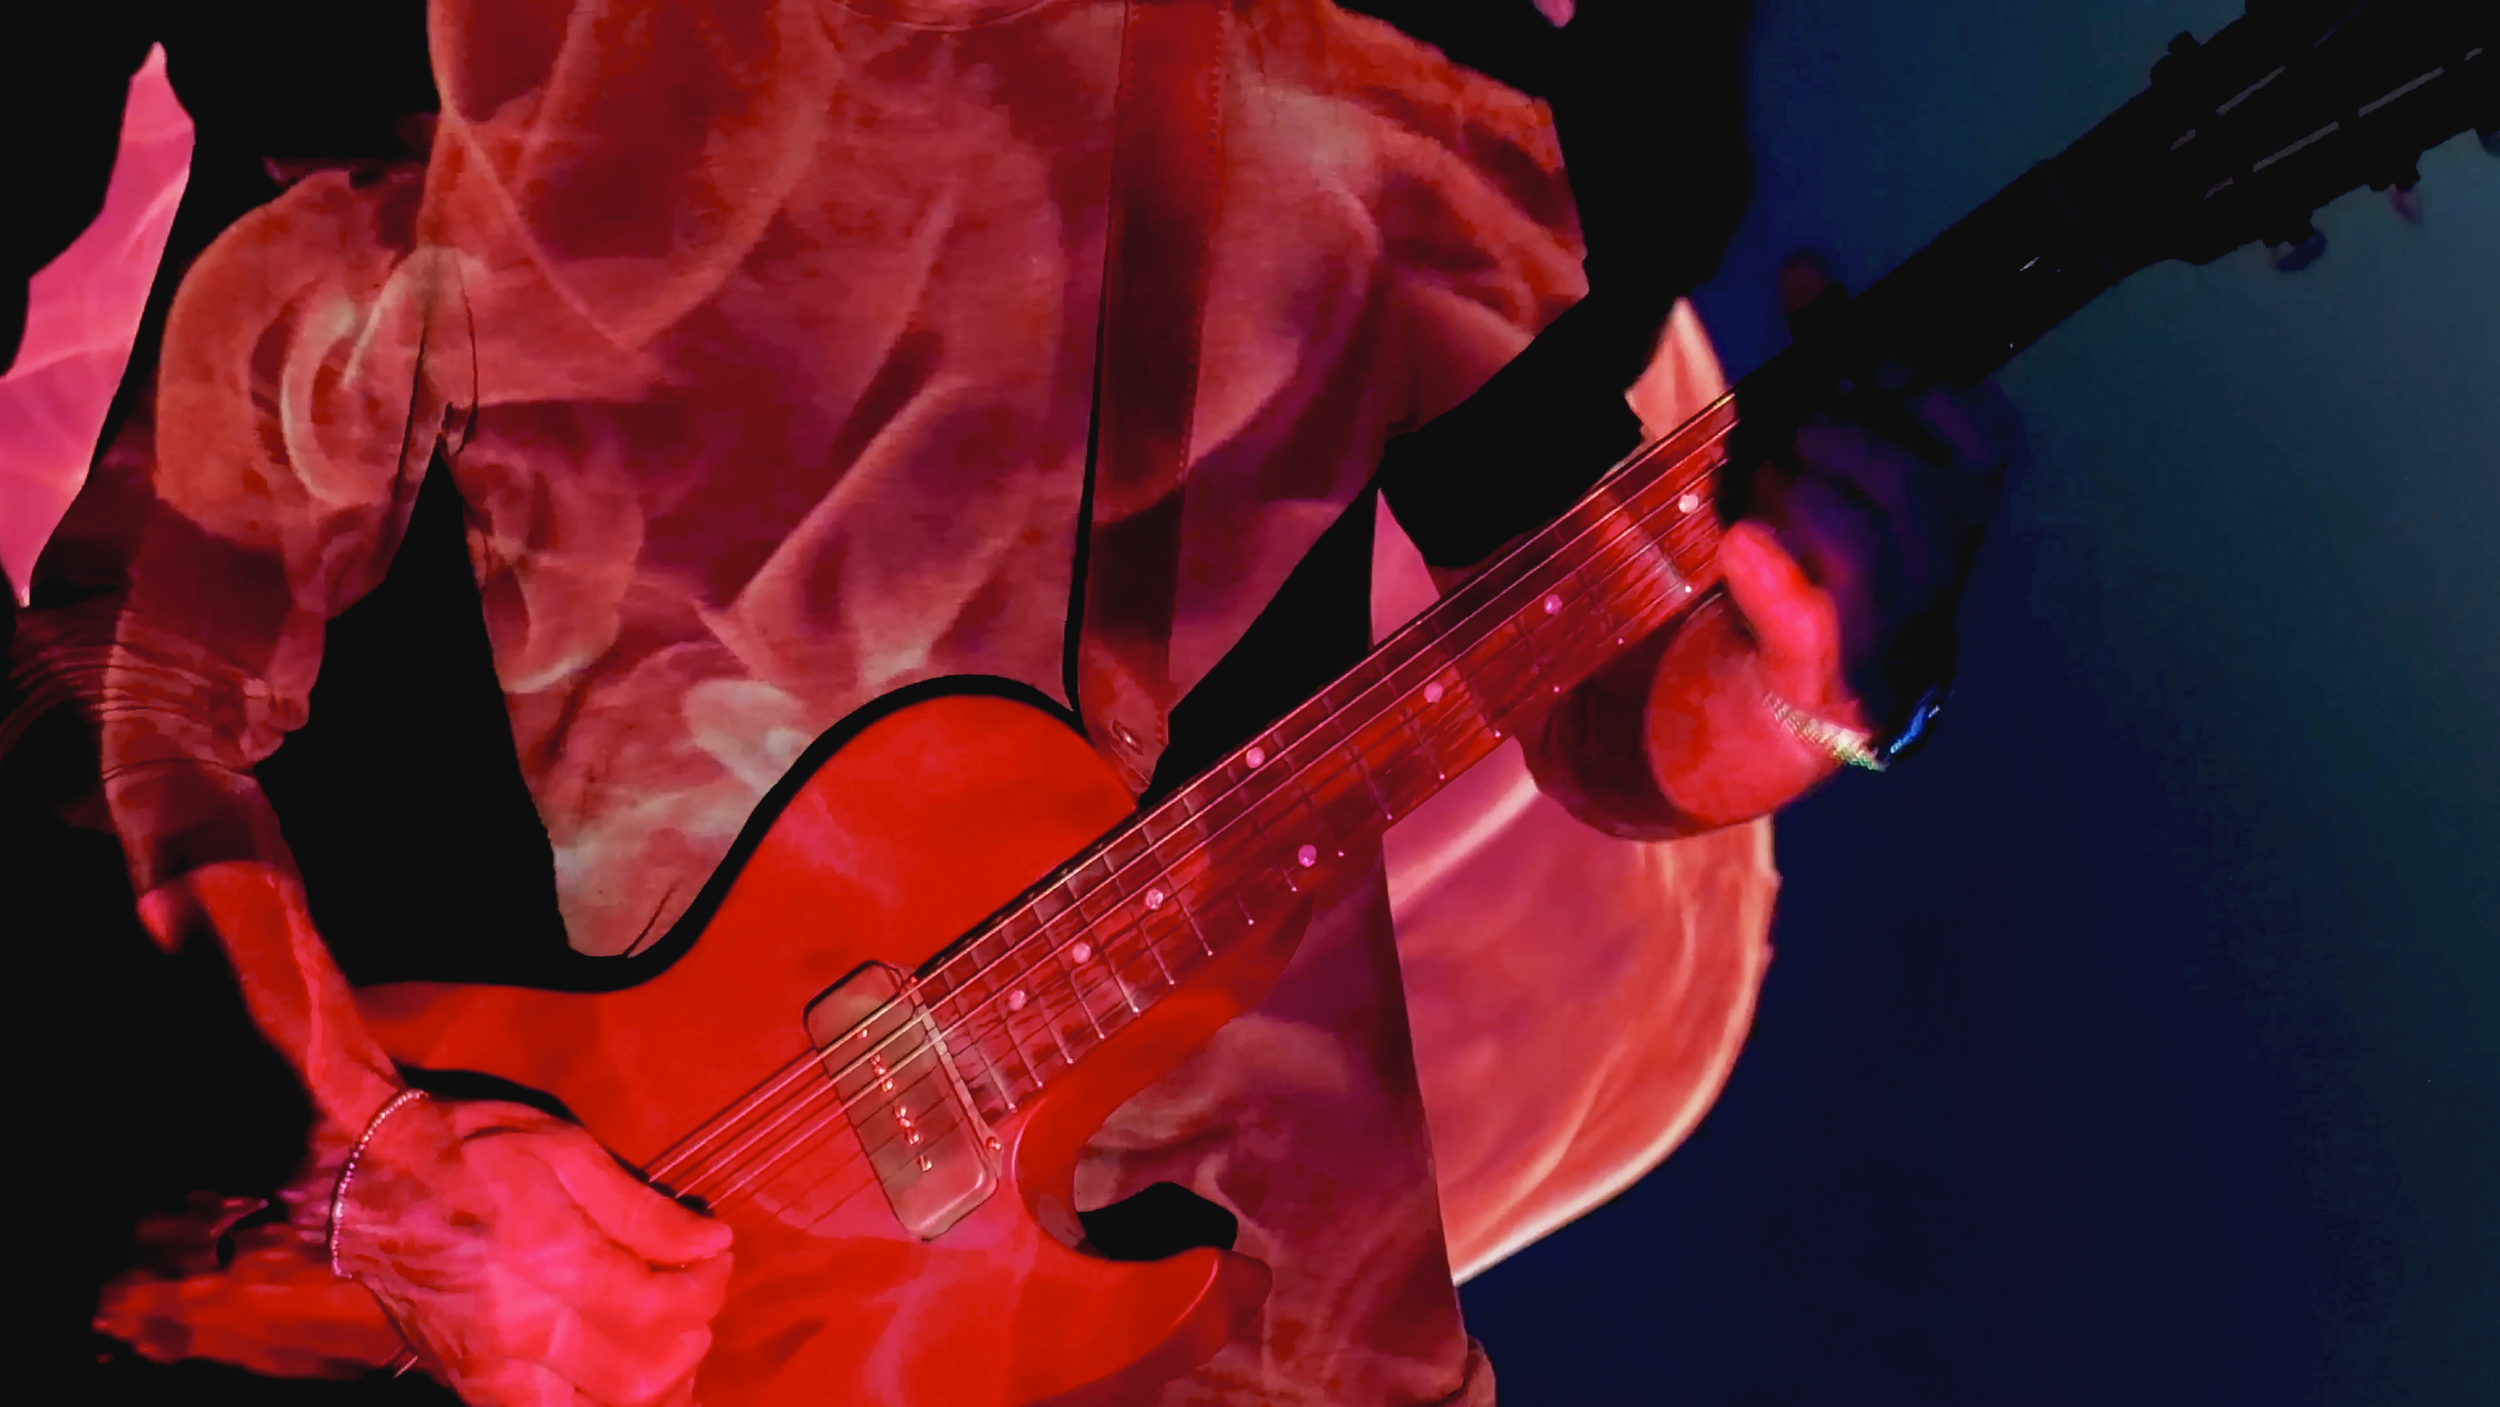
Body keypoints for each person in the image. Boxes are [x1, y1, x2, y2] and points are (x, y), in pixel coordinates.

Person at [6, 0, 2014, 1402]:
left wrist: (1812, 681)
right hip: (345, 1180)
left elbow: (1576, 671)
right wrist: (362, 1158)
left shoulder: (1513, 80)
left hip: (1081, 1280)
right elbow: (133, 666)